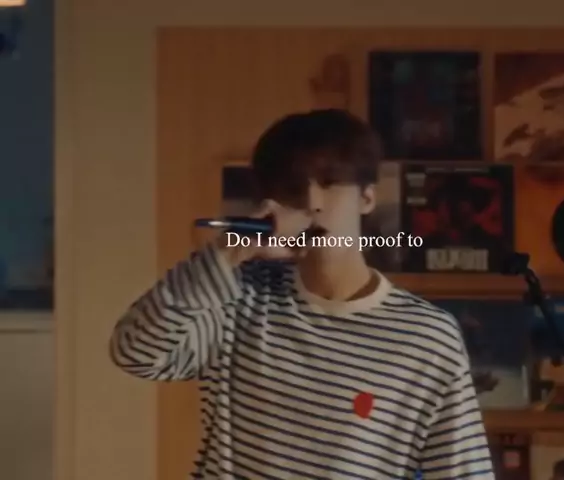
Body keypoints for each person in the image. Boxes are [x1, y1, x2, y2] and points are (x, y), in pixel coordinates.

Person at [109, 109, 495, 479]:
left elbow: (464, 471)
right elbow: (135, 352)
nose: (312, 203)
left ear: (366, 197)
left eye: (329, 183)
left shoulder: (427, 336)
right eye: (294, 189)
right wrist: (228, 253)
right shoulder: (236, 297)